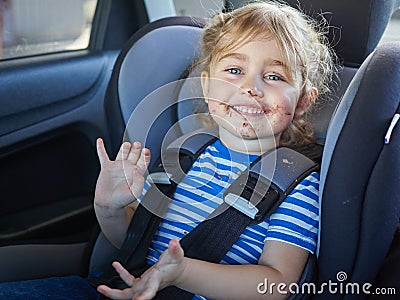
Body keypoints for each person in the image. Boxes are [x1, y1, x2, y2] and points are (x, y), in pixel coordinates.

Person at [0, 1, 335, 299]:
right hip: (120, 286)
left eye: (274, 76)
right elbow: (131, 240)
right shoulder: (187, 153)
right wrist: (109, 208)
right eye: (234, 71)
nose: (251, 87)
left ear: (304, 101)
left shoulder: (296, 184)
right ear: (206, 85)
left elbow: (277, 283)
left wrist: (183, 273)